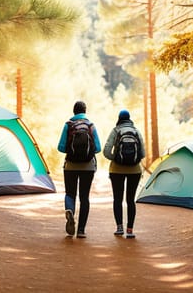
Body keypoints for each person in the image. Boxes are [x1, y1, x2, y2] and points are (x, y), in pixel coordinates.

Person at [57, 101, 101, 238]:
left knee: (70, 194)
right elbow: (98, 148)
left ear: (74, 111)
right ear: (85, 111)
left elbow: (61, 147)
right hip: (88, 166)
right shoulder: (91, 126)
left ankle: (70, 210)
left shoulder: (68, 125)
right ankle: (81, 230)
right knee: (84, 197)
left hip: (70, 165)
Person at [103, 109, 146, 239]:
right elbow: (143, 154)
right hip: (135, 170)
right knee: (130, 200)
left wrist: (116, 158)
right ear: (129, 118)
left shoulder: (115, 131)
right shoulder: (136, 131)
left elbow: (106, 151)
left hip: (117, 170)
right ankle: (130, 229)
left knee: (118, 199)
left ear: (119, 118)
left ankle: (119, 227)